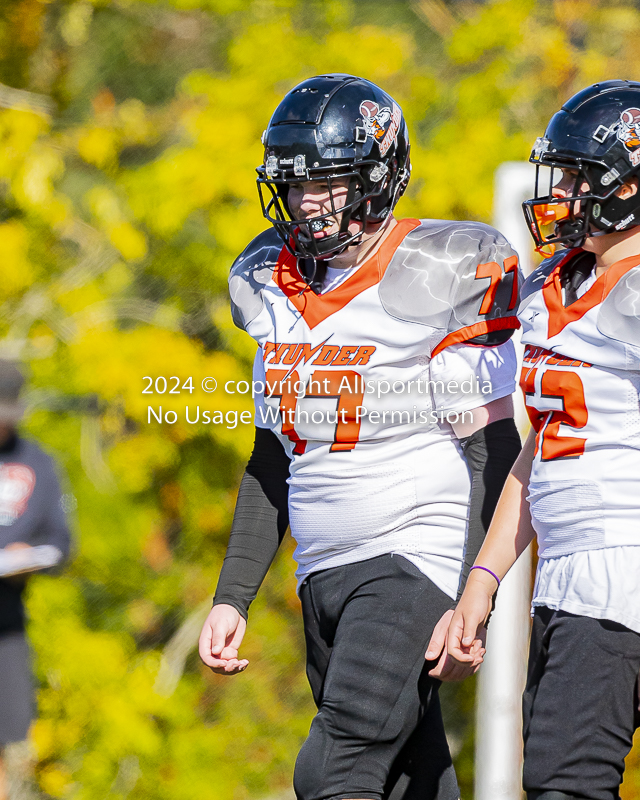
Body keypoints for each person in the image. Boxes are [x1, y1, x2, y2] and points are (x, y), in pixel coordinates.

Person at [198, 73, 522, 800]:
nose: (308, 202)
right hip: (321, 569)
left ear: (378, 177)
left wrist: (477, 588)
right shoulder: (267, 281)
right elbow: (272, 456)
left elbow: (491, 447)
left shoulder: (440, 272)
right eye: (296, 183)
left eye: (330, 182)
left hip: (413, 553)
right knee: (412, 775)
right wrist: (231, 596)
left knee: (335, 766)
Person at [447, 79, 640, 800]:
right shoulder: (552, 289)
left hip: (620, 569)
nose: (559, 193)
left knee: (565, 786)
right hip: (568, 578)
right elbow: (542, 450)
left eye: (577, 177)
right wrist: (484, 579)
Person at [0, 361, 72, 799]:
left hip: (6, 622)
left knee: (6, 736)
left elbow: (62, 544)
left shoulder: (37, 462)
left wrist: (28, 558)